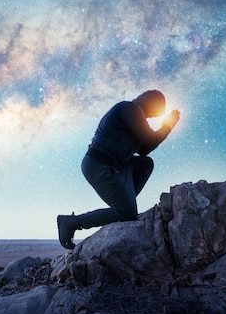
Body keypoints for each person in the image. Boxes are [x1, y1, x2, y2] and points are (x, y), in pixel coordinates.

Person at [57, 90, 180, 249]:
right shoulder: (129, 108)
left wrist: (162, 129)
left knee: (145, 164)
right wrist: (167, 126)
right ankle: (73, 222)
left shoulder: (135, 115)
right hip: (98, 164)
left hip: (116, 166)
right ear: (150, 104)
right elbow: (151, 139)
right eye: (153, 113)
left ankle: (124, 201)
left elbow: (145, 149)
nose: (150, 117)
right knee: (128, 214)